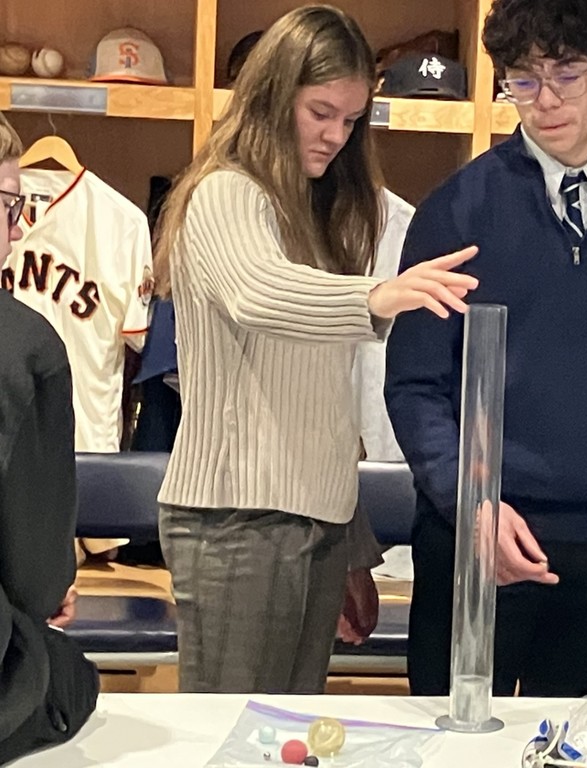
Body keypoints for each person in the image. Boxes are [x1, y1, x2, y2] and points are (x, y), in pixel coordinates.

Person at [152, 5, 478, 694]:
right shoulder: (224, 193)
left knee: (285, 737)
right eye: (321, 111)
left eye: (352, 119)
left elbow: (325, 407)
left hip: (312, 528)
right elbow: (258, 295)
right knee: (233, 742)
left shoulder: (317, 214)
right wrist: (376, 298)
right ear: (274, 97)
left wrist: (351, 543)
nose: (336, 135)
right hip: (235, 524)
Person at [385, 0, 587, 698]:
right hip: (479, 535)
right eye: (522, 81)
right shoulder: (456, 209)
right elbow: (414, 385)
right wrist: (470, 503)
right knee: (459, 746)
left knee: (584, 743)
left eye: (566, 74)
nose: (545, 101)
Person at [0, 112, 98, 764]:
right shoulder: (25, 345)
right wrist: (54, 577)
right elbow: (38, 579)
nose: (18, 230)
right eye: (10, 208)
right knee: (67, 678)